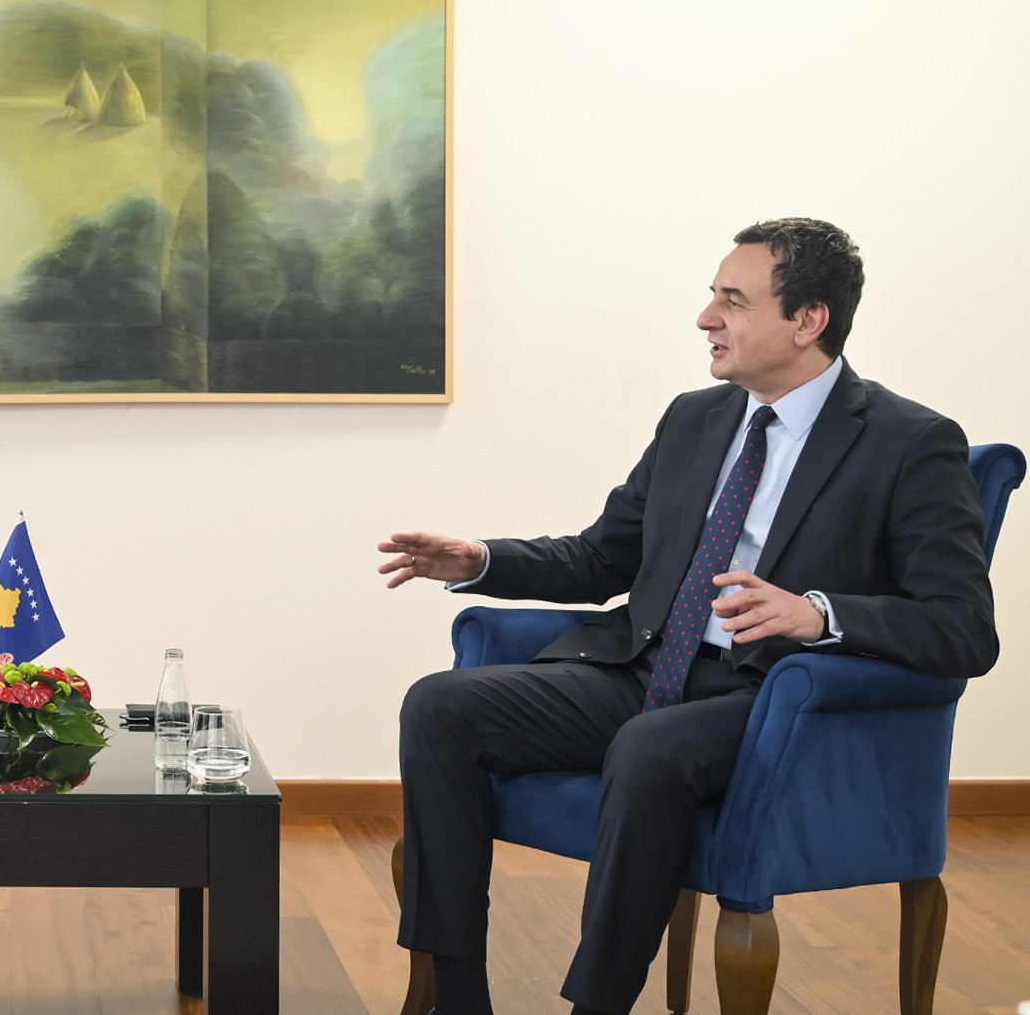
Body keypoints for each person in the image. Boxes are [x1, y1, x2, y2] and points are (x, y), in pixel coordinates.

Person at [376, 218, 997, 1015]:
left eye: (733, 301)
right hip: (646, 666)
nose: (707, 318)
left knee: (649, 747)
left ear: (808, 320)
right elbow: (603, 557)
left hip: (771, 698)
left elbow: (963, 626)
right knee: (439, 704)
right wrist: (482, 561)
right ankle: (457, 997)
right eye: (713, 297)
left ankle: (597, 1004)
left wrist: (816, 614)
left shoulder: (910, 442)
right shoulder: (694, 418)